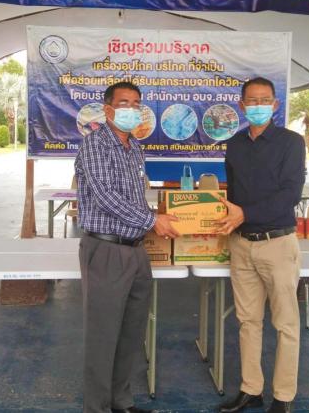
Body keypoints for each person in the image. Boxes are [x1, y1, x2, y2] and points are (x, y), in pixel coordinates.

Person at [75, 81, 179, 413]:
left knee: (131, 331)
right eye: (124, 103)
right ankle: (97, 407)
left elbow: (134, 198)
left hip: (136, 249)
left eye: (136, 104)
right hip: (106, 250)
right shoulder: (94, 145)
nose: (131, 110)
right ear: (108, 109)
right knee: (103, 334)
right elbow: (106, 197)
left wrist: (156, 217)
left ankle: (121, 401)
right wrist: (152, 221)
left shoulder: (134, 147)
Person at [216, 77, 306, 413]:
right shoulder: (235, 144)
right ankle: (250, 389)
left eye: (264, 100)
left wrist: (245, 214)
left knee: (285, 324)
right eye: (251, 101)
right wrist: (227, 220)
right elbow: (233, 194)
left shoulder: (291, 143)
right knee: (248, 321)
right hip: (241, 244)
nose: (257, 105)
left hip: (277, 244)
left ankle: (283, 397)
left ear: (275, 105)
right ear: (241, 105)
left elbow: (290, 194)